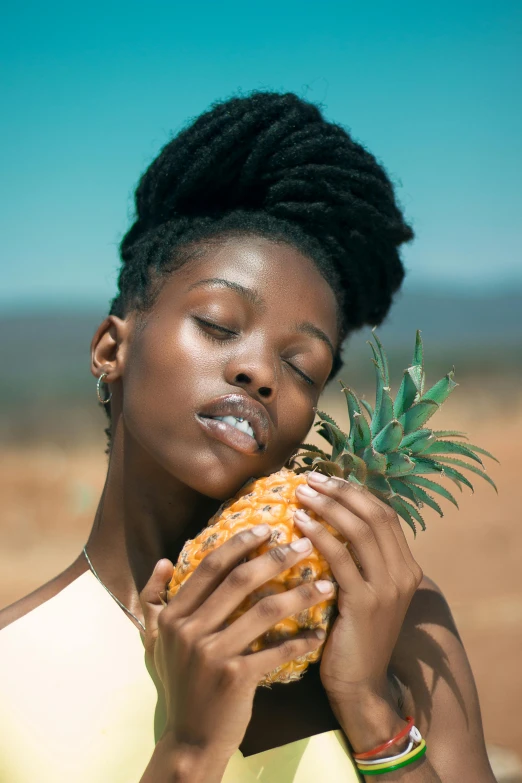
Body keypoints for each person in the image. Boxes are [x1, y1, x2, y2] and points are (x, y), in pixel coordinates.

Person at [0, 91, 496, 782]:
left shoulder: (395, 617)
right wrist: (190, 751)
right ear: (111, 347)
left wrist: (374, 712)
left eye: (302, 365)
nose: (260, 369)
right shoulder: (11, 669)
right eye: (218, 323)